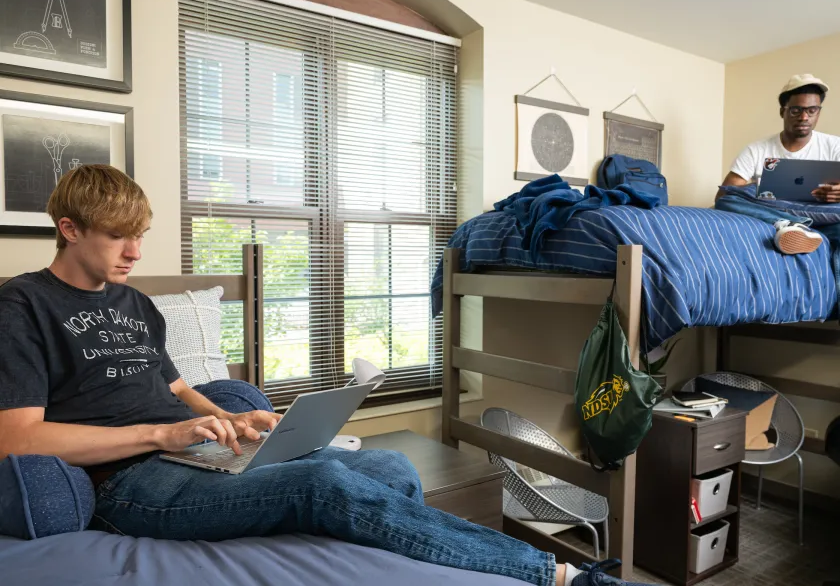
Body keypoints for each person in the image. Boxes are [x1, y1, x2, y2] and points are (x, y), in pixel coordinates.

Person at [0, 165, 646, 586]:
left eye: (139, 235)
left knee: (391, 470)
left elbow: (172, 390)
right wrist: (160, 437)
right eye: (118, 238)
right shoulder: (21, 305)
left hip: (198, 451)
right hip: (130, 483)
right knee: (320, 482)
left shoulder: (136, 302)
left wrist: (230, 420)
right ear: (68, 229)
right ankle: (560, 577)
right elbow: (19, 438)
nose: (135, 252)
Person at [720, 74, 840, 254]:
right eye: (795, 110)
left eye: (812, 110)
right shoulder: (756, 149)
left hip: (821, 213)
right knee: (727, 200)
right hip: (775, 211)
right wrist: (764, 186)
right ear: (782, 111)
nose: (804, 117)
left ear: (818, 112)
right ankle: (791, 225)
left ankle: (797, 228)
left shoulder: (835, 145)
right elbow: (725, 193)